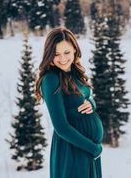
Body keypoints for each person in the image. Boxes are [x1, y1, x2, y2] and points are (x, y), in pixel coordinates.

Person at [35, 27, 104, 178]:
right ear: (49, 54)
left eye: (66, 52)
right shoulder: (51, 79)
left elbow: (84, 96)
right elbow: (61, 128)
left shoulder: (73, 72)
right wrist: (93, 149)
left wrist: (92, 103)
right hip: (72, 150)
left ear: (74, 49)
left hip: (85, 150)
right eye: (56, 54)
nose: (62, 59)